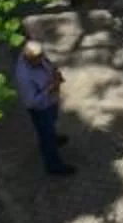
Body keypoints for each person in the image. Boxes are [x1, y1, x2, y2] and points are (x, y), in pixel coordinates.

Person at [13, 39, 77, 177]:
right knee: (45, 135)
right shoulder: (24, 76)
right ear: (29, 59)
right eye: (38, 59)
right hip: (41, 109)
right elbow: (31, 102)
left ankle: (53, 138)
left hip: (51, 102)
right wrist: (50, 88)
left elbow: (47, 63)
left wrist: (54, 72)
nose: (42, 60)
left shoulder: (37, 55)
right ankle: (54, 166)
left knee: (51, 124)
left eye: (42, 56)